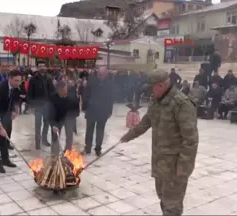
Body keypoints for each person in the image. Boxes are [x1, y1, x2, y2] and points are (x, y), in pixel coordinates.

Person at [120, 69, 198, 216]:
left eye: (151, 87)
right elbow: (145, 123)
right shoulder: (157, 102)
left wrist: (183, 167)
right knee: (163, 198)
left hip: (175, 167)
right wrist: (127, 136)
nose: (150, 91)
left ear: (161, 85)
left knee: (172, 205)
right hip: (160, 163)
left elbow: (191, 140)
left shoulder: (182, 104)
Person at [0, 70, 21, 171]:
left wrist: (14, 110)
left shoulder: (16, 87)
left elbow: (16, 98)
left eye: (19, 81)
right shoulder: (1, 87)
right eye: (16, 81)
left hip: (8, 113)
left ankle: (5, 159)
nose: (18, 83)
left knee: (6, 136)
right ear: (9, 79)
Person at [83, 67, 114, 156]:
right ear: (97, 74)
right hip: (91, 109)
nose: (101, 76)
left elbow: (110, 98)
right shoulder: (91, 81)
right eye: (100, 75)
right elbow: (86, 94)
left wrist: (109, 111)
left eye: (103, 75)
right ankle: (87, 147)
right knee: (89, 130)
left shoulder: (109, 84)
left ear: (106, 74)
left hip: (103, 111)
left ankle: (98, 148)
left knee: (100, 130)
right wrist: (84, 107)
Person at [47, 80, 80, 155]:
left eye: (65, 89)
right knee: (55, 136)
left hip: (69, 118)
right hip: (57, 119)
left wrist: (75, 116)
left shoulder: (71, 95)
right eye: (61, 90)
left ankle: (68, 151)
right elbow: (49, 112)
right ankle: (55, 154)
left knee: (69, 135)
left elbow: (76, 106)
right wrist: (52, 124)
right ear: (57, 89)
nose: (64, 91)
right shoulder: (52, 97)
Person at [28, 62, 54, 149]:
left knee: (46, 124)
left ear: (46, 67)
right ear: (37, 68)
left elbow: (52, 92)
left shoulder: (49, 79)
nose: (42, 68)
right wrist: (31, 106)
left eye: (43, 66)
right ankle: (38, 142)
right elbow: (29, 93)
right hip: (38, 106)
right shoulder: (33, 79)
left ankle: (44, 140)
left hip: (47, 105)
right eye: (40, 66)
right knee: (38, 125)